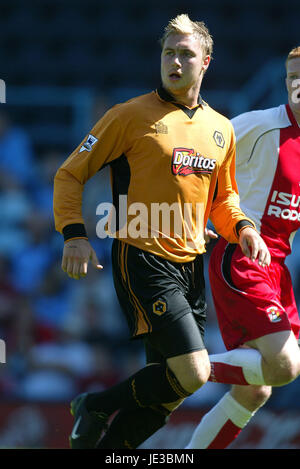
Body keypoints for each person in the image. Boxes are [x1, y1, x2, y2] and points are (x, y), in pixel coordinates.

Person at [53, 14, 270, 449]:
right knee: (193, 371)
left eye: (185, 53)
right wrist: (74, 234)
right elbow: (69, 174)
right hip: (142, 255)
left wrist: (244, 228)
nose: (174, 61)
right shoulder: (128, 116)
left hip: (192, 263)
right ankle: (95, 404)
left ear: (205, 62)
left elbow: (223, 201)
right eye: (168, 52)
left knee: (170, 392)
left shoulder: (221, 128)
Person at [186, 46, 300, 450]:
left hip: (277, 269)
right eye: (292, 77)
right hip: (242, 256)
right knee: (284, 366)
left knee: (256, 390)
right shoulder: (260, 125)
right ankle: (175, 366)